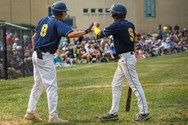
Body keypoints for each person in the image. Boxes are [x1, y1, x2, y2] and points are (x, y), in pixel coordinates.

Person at [24, 1, 93, 124]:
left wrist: (37, 49)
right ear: (60, 13)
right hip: (44, 56)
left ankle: (30, 112)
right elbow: (71, 34)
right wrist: (87, 31)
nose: (66, 13)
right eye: (65, 11)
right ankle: (53, 116)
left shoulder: (43, 19)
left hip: (36, 54)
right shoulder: (57, 23)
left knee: (38, 84)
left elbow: (34, 37)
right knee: (51, 87)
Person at [92, 3, 151, 122]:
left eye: (111, 13)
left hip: (126, 59)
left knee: (135, 85)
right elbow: (134, 39)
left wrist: (94, 26)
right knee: (116, 84)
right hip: (125, 58)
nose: (110, 15)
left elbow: (99, 35)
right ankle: (113, 112)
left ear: (115, 14)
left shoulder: (117, 25)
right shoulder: (130, 24)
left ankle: (144, 112)